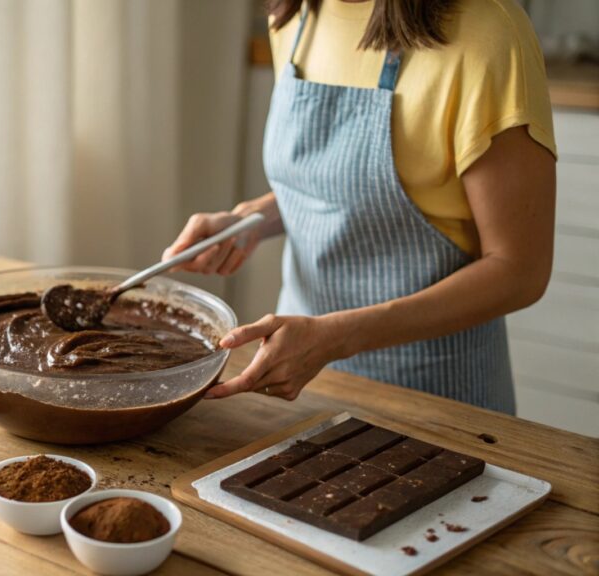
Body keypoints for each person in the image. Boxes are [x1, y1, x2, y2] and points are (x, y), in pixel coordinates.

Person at [163, 0, 556, 414]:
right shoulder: (294, 16)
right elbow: (341, 184)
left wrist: (337, 337)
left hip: (435, 397)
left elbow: (520, 271)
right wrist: (248, 220)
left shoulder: (490, 33)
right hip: (296, 383)